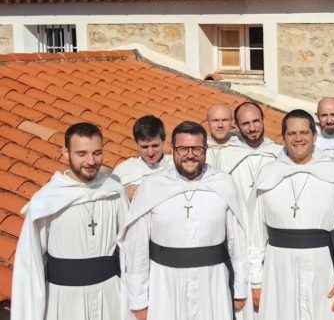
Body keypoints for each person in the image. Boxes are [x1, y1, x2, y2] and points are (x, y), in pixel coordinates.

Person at [121, 121, 248, 320]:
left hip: (212, 283)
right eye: (183, 149)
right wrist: (138, 300)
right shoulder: (152, 186)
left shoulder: (223, 183)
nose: (190, 155)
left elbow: (238, 241)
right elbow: (137, 248)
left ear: (205, 149)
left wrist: (240, 289)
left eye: (196, 149)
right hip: (164, 285)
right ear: (173, 150)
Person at [248, 109, 334, 320]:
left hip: (321, 267)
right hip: (277, 269)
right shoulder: (268, 174)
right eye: (292, 133)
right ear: (283, 137)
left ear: (314, 136)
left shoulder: (333, 173)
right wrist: (255, 280)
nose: (298, 138)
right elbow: (255, 235)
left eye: (304, 133)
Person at [11, 122, 129, 320]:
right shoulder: (46, 201)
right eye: (82, 153)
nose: (91, 161)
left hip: (111, 299)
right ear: (65, 153)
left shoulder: (114, 191)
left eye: (97, 153)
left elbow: (129, 249)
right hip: (64, 302)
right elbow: (29, 266)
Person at [224, 102, 283, 202]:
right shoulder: (227, 154)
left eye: (256, 121)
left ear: (263, 120)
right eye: (245, 123)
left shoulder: (280, 153)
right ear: (237, 126)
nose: (252, 128)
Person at [112, 115, 172, 200]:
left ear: (163, 140)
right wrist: (123, 195)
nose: (150, 153)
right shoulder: (122, 170)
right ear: (136, 144)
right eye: (144, 147)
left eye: (155, 146)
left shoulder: (177, 166)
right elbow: (107, 203)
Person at [205, 103, 241, 171]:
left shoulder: (243, 147)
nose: (220, 125)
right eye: (215, 120)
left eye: (225, 120)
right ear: (207, 122)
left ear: (231, 121)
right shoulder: (199, 150)